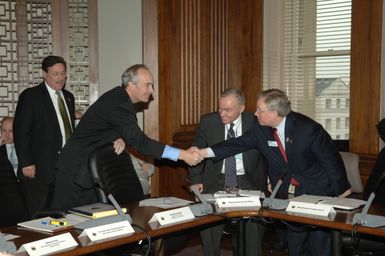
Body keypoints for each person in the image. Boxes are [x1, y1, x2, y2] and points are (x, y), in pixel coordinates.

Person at [198, 88, 351, 256]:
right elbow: (236, 144)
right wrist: (203, 153)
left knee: (319, 242)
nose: (255, 114)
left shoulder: (308, 129)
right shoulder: (261, 128)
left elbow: (331, 160)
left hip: (317, 188)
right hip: (290, 192)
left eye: (259, 110)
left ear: (274, 113)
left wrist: (342, 191)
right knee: (295, 239)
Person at [51, 64, 202, 210]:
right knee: (68, 225)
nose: (151, 90)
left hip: (87, 170)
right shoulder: (120, 104)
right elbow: (142, 143)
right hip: (75, 171)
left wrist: (120, 136)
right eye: (147, 85)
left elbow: (107, 127)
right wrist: (182, 155)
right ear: (131, 85)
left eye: (152, 85)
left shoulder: (119, 98)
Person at [189, 88, 267, 256]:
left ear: (241, 108)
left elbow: (269, 153)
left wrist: (271, 178)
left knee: (253, 226)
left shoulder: (256, 122)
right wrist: (195, 180)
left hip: (248, 179)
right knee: (208, 220)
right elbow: (196, 152)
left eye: (228, 110)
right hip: (215, 181)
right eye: (220, 108)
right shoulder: (208, 122)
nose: (222, 113)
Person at [13, 55, 77, 215]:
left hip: (65, 168)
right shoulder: (31, 96)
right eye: (56, 74)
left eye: (63, 73)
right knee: (38, 216)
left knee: (61, 214)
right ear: (44, 74)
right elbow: (21, 131)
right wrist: (26, 162)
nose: (61, 78)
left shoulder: (68, 97)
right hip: (39, 169)